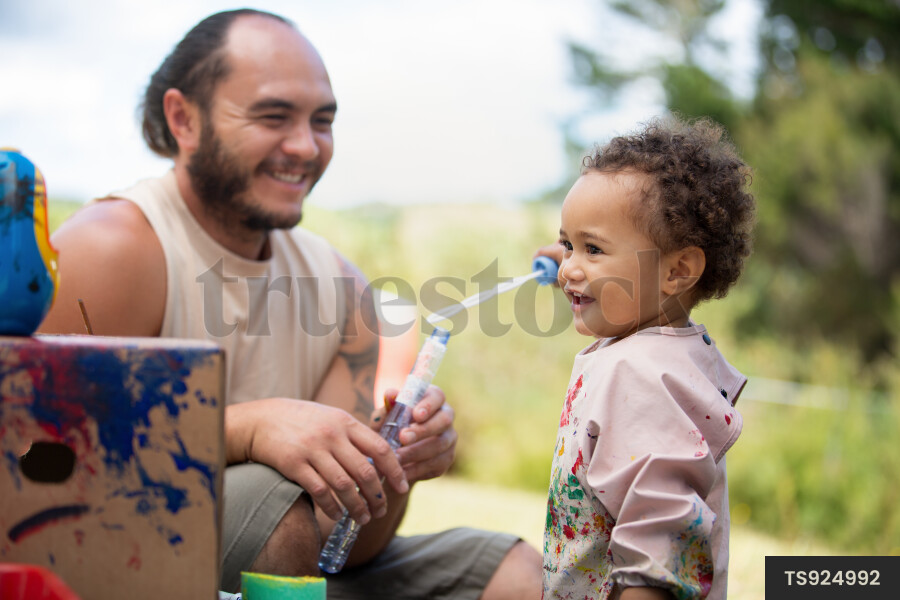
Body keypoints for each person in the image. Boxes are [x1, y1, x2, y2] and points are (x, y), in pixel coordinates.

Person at [38, 9, 541, 598]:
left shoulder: (343, 290)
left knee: (511, 573)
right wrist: (245, 429)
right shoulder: (112, 250)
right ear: (184, 118)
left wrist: (390, 469)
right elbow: (35, 459)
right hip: (109, 564)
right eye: (273, 116)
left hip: (296, 571)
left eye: (322, 121)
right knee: (276, 514)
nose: (304, 146)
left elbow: (342, 541)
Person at [538, 116, 754, 599]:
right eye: (568, 244)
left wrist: (584, 265)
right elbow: (615, 279)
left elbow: (662, 544)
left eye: (592, 248)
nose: (568, 266)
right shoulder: (663, 350)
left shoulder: (639, 375)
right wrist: (583, 259)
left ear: (677, 270)